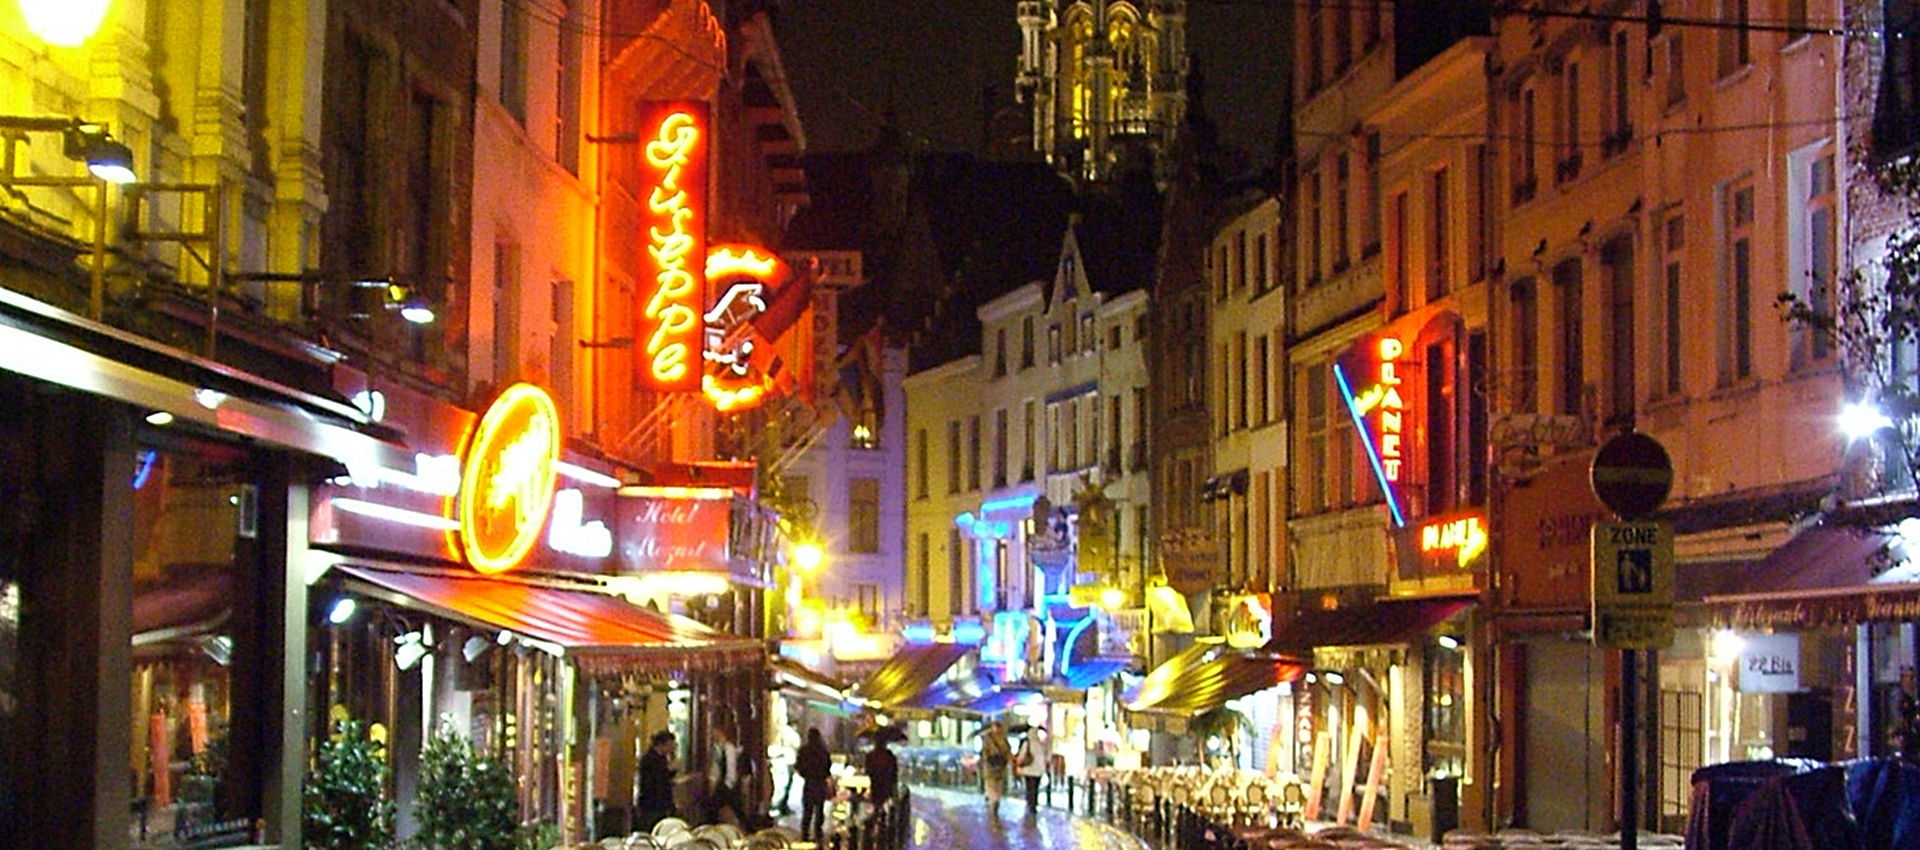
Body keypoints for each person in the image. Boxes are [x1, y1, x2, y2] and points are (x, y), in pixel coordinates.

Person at [795, 728, 833, 842]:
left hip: (809, 783)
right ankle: (818, 834)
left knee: (807, 811)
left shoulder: (804, 750)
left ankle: (805, 834)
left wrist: (806, 774)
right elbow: (827, 767)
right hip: (820, 783)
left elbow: (798, 766)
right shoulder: (823, 750)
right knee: (819, 810)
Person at [636, 730, 679, 831]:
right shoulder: (649, 759)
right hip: (651, 803)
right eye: (670, 744)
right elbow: (654, 780)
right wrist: (668, 770)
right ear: (661, 744)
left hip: (662, 803)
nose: (672, 747)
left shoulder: (663, 758)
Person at [708, 723, 745, 825]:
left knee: (736, 810)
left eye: (714, 732)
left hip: (727, 784)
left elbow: (731, 766)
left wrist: (729, 783)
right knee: (714, 808)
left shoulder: (729, 748)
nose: (713, 734)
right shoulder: (718, 747)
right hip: (722, 783)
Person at [980, 721, 1013, 816]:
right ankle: (995, 801)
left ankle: (994, 801)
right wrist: (1006, 761)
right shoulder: (1002, 738)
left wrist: (987, 761)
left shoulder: (988, 738)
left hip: (991, 766)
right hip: (999, 766)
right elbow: (1008, 751)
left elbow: (985, 752)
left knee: (993, 785)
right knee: (996, 785)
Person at [1015, 727, 1049, 813]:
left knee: (1029, 787)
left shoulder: (1027, 743)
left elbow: (1022, 755)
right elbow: (1046, 756)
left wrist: (1018, 762)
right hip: (1039, 771)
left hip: (1028, 770)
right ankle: (1034, 804)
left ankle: (1030, 804)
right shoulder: (1041, 744)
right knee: (1036, 788)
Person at [864, 736, 899, 810]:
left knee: (876, 804)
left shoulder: (870, 756)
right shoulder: (890, 756)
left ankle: (877, 815)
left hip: (874, 785)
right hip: (887, 785)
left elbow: (867, 771)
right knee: (887, 807)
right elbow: (894, 773)